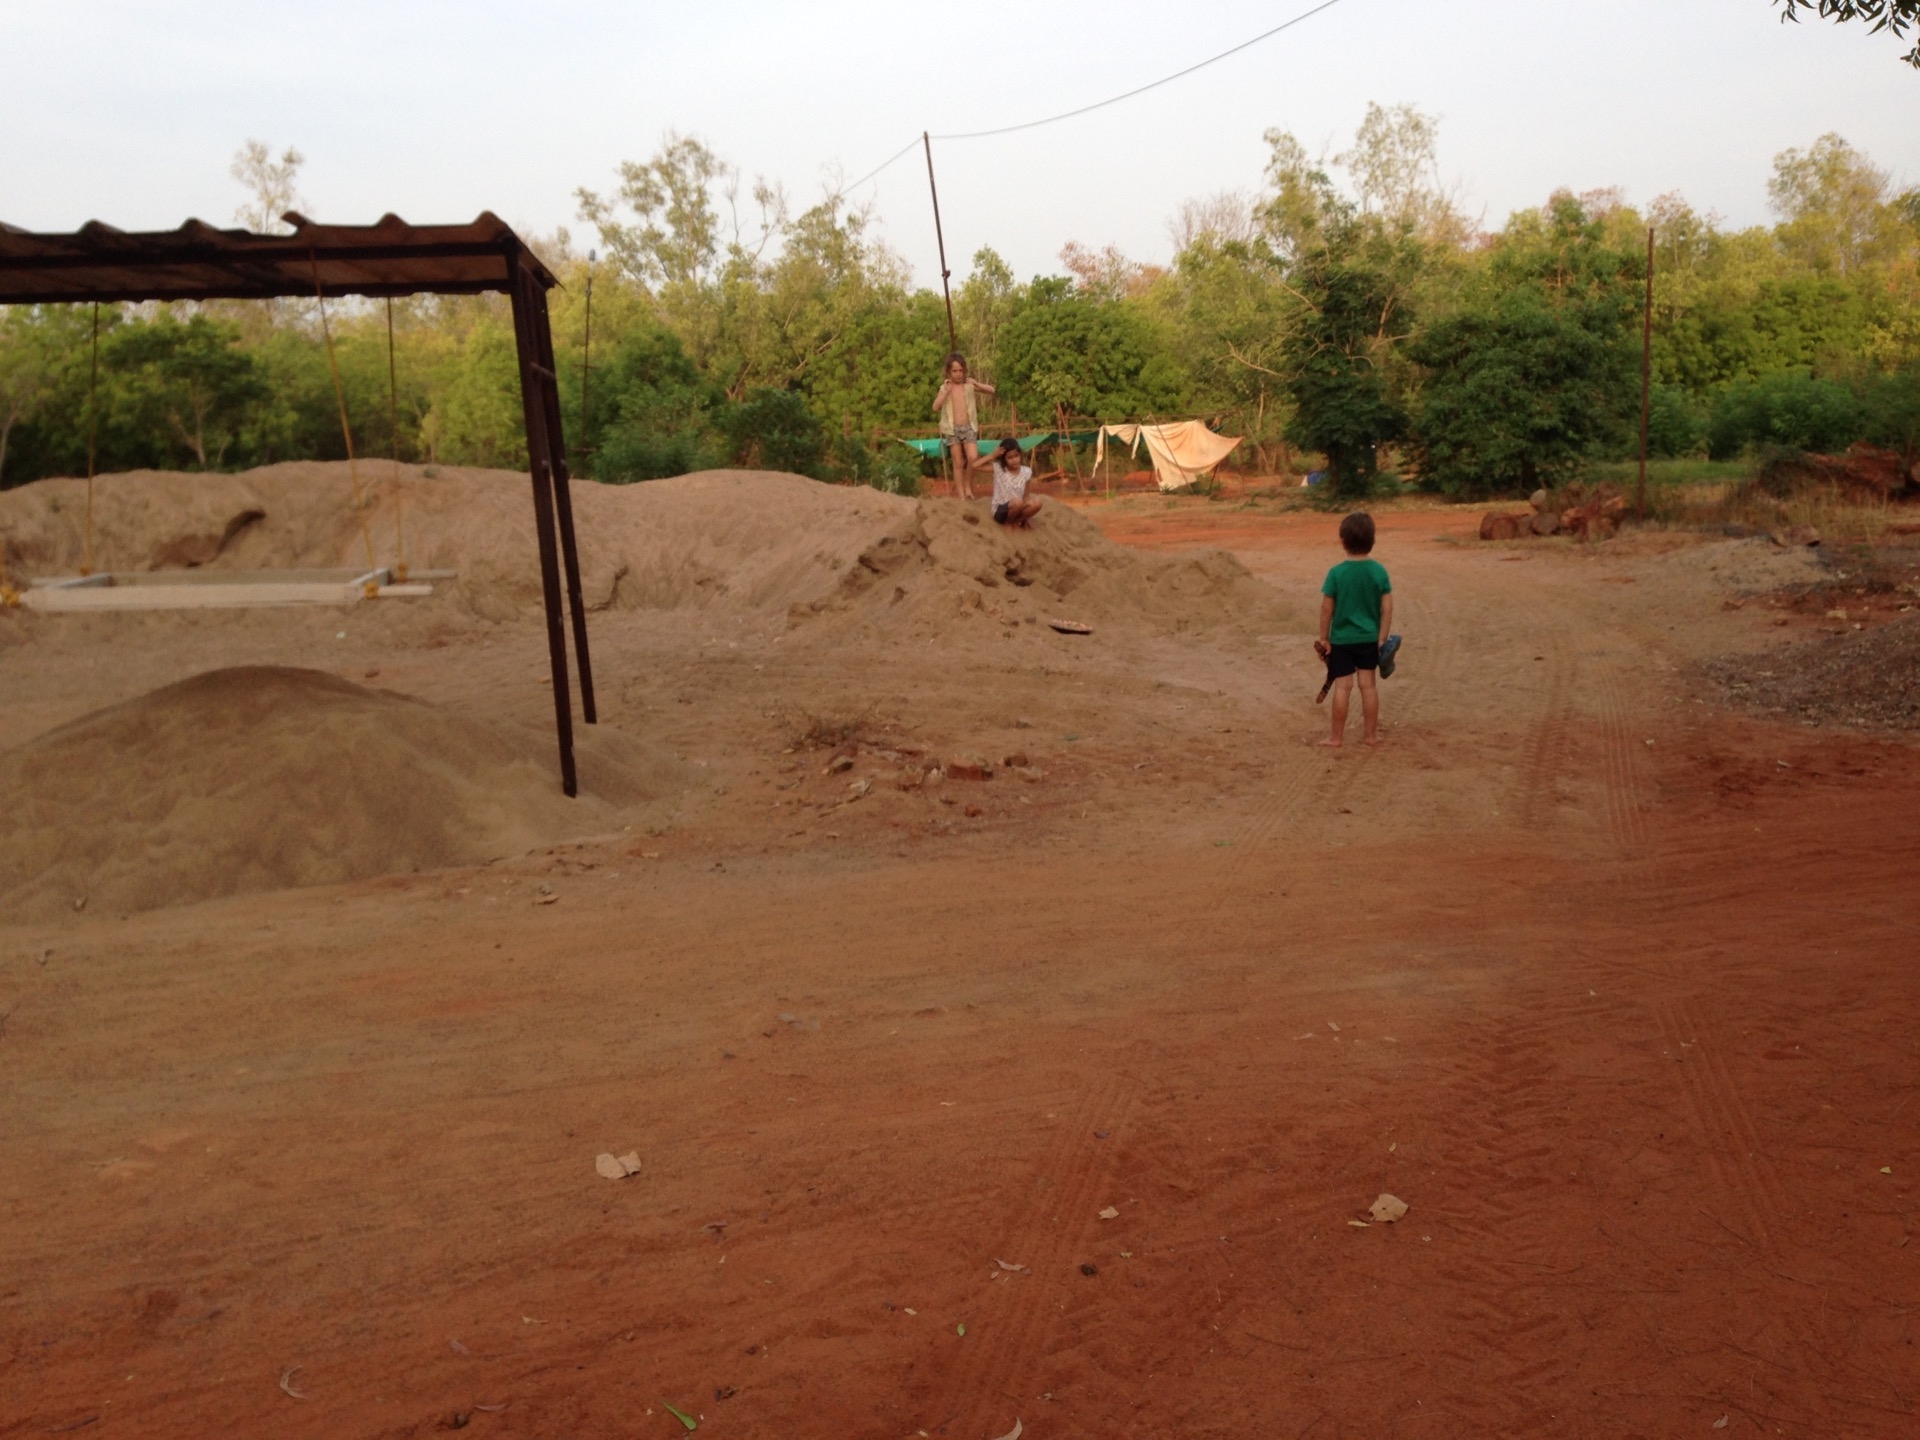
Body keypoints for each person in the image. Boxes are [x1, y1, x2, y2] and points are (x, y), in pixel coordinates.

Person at [1315, 511, 1395, 748]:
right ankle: (1370, 736)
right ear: (1372, 540)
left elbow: (1326, 609)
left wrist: (1324, 638)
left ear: (1343, 541)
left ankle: (1336, 737)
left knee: (1343, 687)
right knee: (1368, 686)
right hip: (1369, 639)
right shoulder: (1379, 571)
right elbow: (1387, 607)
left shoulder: (1336, 573)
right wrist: (1382, 638)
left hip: (1342, 640)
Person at [933, 353, 995, 500]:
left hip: (969, 426)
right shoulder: (945, 387)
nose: (958, 374)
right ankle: (961, 494)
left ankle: (968, 486)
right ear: (949, 372)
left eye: (961, 370)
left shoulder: (968, 386)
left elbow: (991, 390)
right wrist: (945, 393)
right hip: (952, 428)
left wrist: (977, 383)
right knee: (958, 461)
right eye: (955, 371)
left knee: (973, 457)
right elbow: (935, 407)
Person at [988, 437, 1042, 527]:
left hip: (1018, 508)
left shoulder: (1027, 472)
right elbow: (975, 465)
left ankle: (1017, 521)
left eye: (1016, 456)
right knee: (1017, 502)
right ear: (1004, 459)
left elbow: (1026, 496)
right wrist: (992, 455)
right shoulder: (999, 469)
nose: (1014, 460)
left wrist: (1028, 515)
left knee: (1037, 502)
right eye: (1010, 458)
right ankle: (1009, 523)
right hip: (1000, 510)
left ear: (1020, 454)